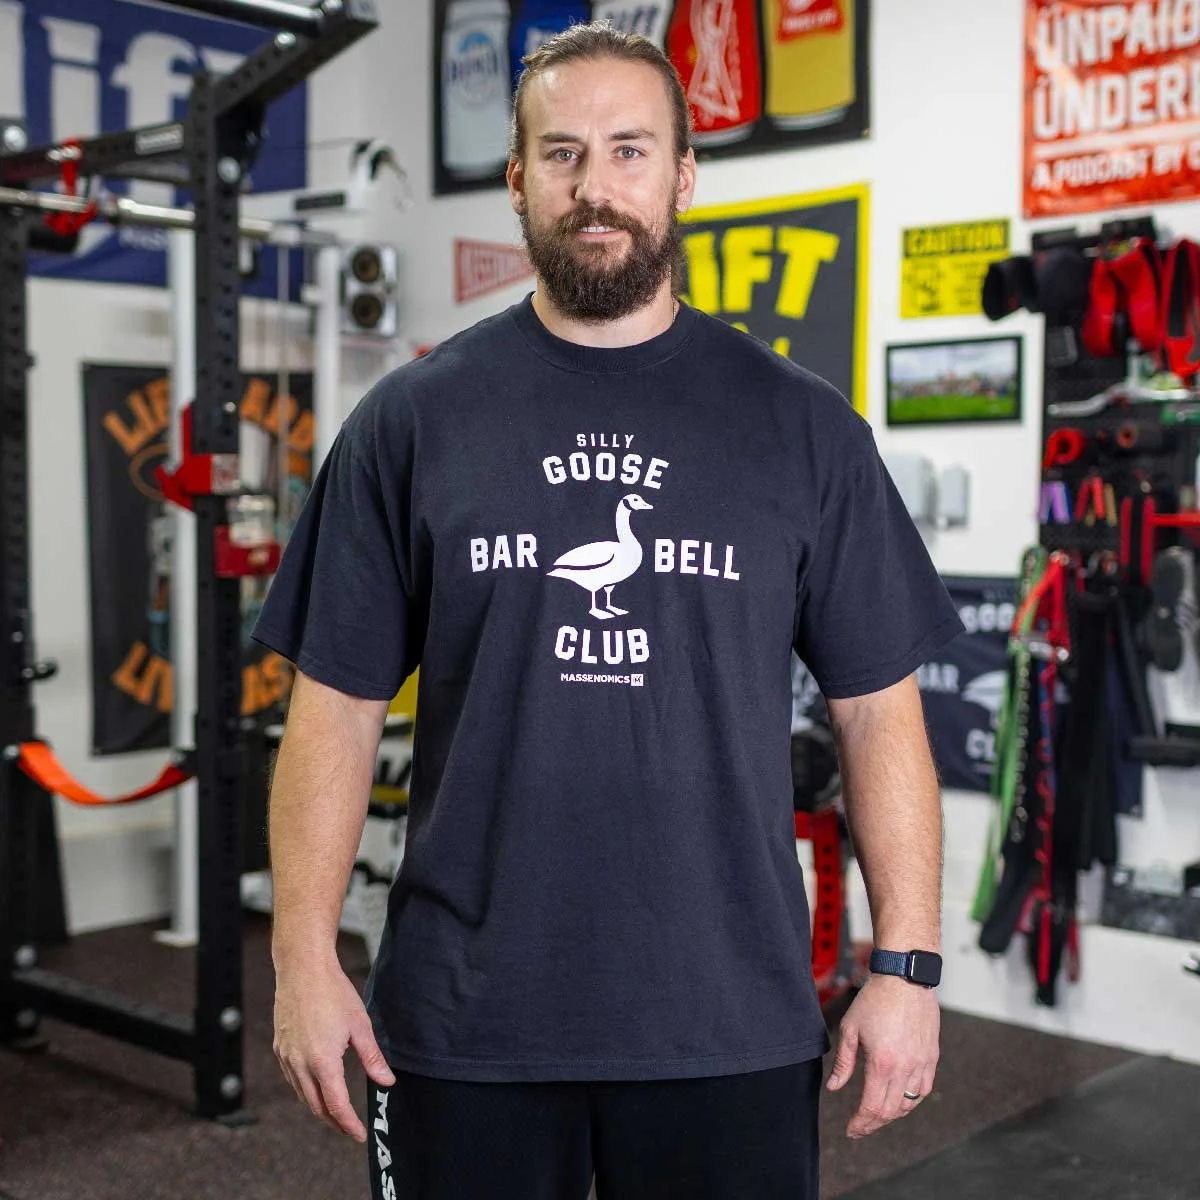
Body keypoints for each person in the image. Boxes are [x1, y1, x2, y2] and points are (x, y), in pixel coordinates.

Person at [257, 21, 963, 1200]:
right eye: (563, 153)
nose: (596, 186)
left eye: (630, 150)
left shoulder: (801, 429)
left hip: (728, 1019)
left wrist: (909, 965)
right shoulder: (413, 423)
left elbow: (879, 713)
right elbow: (331, 710)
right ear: (517, 179)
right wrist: (299, 959)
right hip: (465, 1019)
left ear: (683, 176)